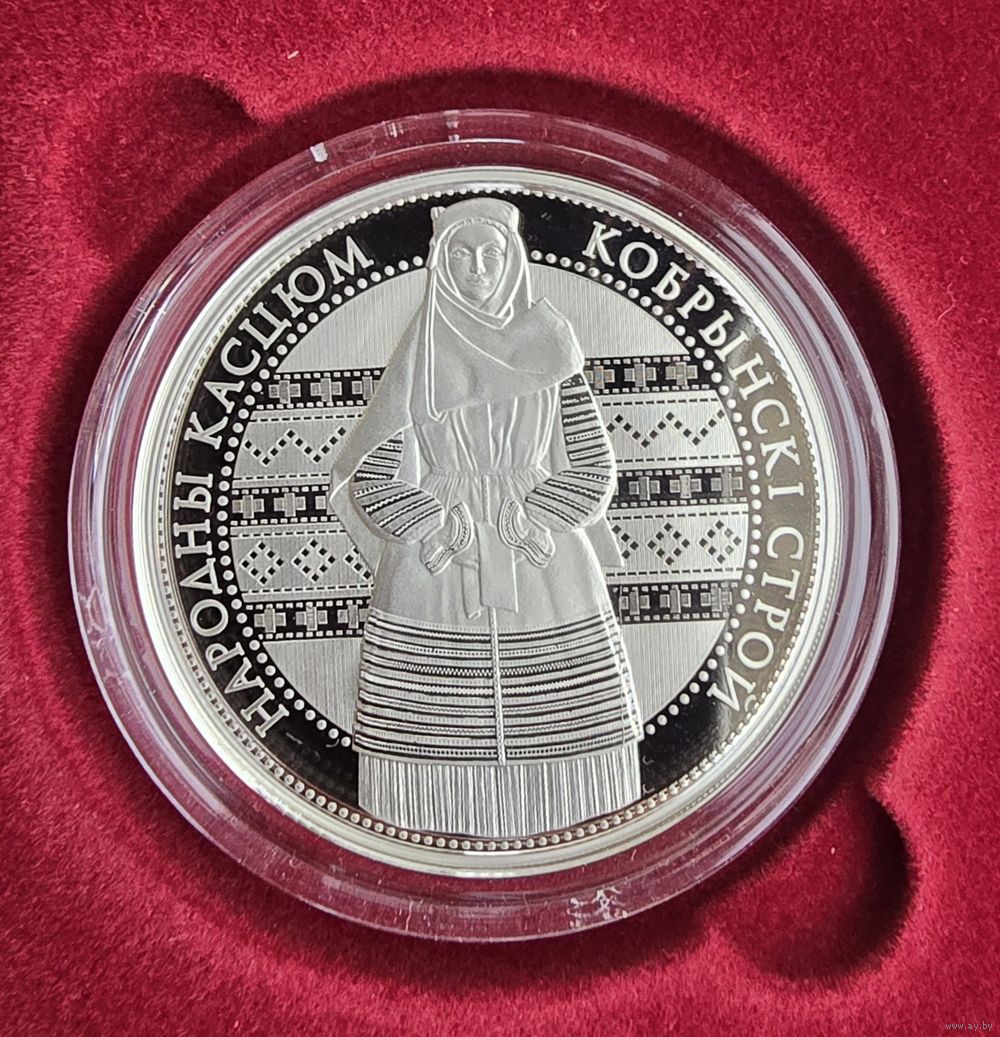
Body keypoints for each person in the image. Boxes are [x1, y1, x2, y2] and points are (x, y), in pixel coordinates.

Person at [328, 197, 642, 838]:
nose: (477, 269)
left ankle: (572, 831)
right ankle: (420, 834)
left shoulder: (550, 350)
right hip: (437, 559)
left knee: (563, 718)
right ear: (440, 265)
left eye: (491, 254)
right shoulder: (419, 357)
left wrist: (539, 517)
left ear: (513, 262)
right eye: (461, 255)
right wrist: (435, 526)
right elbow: (375, 478)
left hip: (541, 555)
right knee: (431, 727)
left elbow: (592, 465)